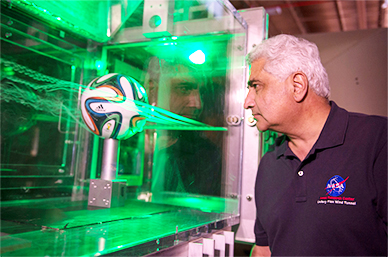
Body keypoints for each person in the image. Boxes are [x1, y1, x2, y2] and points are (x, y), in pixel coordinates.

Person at [244, 34, 387, 256]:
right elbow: (263, 250)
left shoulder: (378, 142)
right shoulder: (270, 162)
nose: (247, 102)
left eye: (256, 86)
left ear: (297, 85)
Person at [144, 56, 222, 197]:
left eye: (201, 93)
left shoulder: (206, 156)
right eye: (184, 89)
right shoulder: (125, 140)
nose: (197, 104)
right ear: (153, 90)